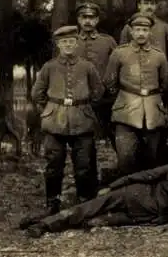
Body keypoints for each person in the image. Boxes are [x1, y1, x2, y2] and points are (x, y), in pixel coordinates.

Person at [23, 145, 168, 238]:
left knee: (93, 223)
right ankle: (43, 225)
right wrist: (113, 186)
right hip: (132, 196)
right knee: (86, 209)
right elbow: (141, 175)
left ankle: (46, 221)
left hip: (143, 218)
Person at [31, 25, 104, 214]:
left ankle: (84, 202)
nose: (68, 45)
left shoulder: (87, 66)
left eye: (72, 41)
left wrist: (85, 107)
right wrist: (49, 110)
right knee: (54, 163)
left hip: (82, 119)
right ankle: (52, 202)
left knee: (84, 163)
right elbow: (37, 93)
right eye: (64, 42)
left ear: (77, 43)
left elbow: (98, 92)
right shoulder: (49, 67)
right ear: (58, 44)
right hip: (55, 120)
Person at [104, 14, 168, 176]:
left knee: (153, 158)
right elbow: (109, 81)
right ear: (131, 32)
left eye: (145, 30)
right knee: (126, 157)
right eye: (137, 29)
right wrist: (122, 100)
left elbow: (165, 84)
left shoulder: (159, 55)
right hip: (126, 112)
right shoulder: (119, 54)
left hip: (153, 113)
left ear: (150, 33)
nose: (141, 33)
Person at [75, 2, 118, 151]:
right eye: (84, 17)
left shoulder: (108, 41)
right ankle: (88, 173)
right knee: (84, 140)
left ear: (97, 20)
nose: (87, 21)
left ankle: (123, 169)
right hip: (80, 99)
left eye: (91, 17)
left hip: (105, 98)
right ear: (78, 19)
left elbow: (118, 66)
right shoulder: (71, 42)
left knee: (115, 135)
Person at [119, 0, 168, 64]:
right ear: (139, 5)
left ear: (156, 6)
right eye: (146, 3)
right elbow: (121, 53)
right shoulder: (129, 27)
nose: (149, 7)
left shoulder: (164, 27)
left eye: (152, 3)